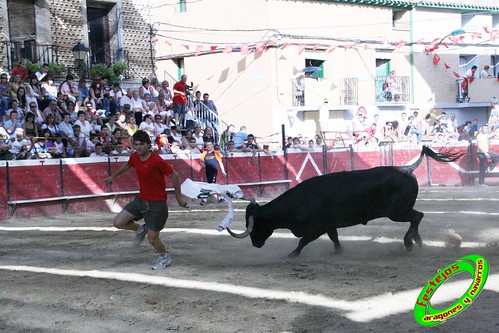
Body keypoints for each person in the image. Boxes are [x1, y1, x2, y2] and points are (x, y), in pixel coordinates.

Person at [104, 130, 188, 270]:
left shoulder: (156, 160)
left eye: (141, 144)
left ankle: (164, 257)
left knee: (152, 239)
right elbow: (128, 165)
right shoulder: (135, 157)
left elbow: (175, 176)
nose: (138, 147)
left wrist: (179, 198)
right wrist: (113, 177)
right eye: (135, 144)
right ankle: (140, 229)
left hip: (157, 204)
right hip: (142, 200)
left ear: (148, 145)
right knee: (118, 222)